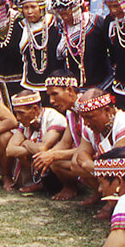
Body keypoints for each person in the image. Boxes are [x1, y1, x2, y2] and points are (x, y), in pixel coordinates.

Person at [73, 88, 125, 218]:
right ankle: (106, 197)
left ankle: (114, 204)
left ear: (107, 110)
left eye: (89, 117)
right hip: (111, 170)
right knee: (75, 165)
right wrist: (98, 167)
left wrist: (91, 165)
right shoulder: (89, 127)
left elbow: (116, 165)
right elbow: (80, 155)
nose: (86, 123)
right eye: (83, 118)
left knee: (116, 171)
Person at [32, 71, 84, 201]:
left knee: (56, 159)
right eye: (49, 95)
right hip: (82, 155)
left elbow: (90, 148)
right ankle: (69, 187)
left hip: (93, 156)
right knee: (54, 162)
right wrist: (44, 156)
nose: (51, 101)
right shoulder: (71, 112)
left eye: (55, 94)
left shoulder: (86, 108)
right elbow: (65, 143)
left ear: (70, 90)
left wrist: (53, 155)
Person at [5, 89, 66, 193]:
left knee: (46, 155)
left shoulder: (53, 118)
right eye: (16, 113)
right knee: (21, 155)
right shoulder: (26, 122)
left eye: (21, 113)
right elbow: (9, 150)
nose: (18, 118)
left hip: (58, 163)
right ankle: (40, 182)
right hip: (41, 158)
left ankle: (67, 186)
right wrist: (33, 149)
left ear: (35, 109)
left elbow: (43, 148)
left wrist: (26, 143)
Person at [52, 0, 110, 89]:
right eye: (61, 13)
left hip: (102, 82)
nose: (64, 17)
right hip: (75, 86)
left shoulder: (96, 22)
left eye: (67, 12)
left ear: (76, 8)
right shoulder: (59, 28)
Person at [17, 0, 62, 92]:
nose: (29, 11)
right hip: (29, 83)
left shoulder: (55, 24)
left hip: (55, 82)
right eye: (26, 7)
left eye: (33, 7)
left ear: (41, 8)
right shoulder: (20, 27)